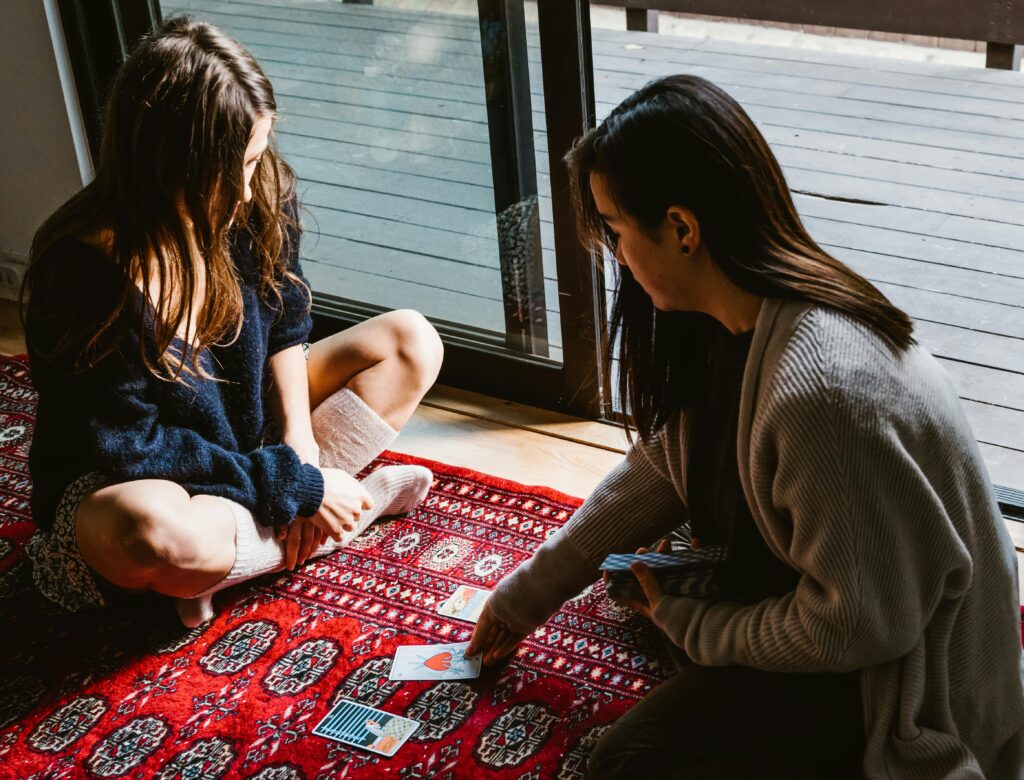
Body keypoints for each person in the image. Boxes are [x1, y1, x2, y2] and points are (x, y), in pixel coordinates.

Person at [467, 75, 1024, 779]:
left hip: (901, 684)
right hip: (863, 608)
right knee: (640, 579)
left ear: (681, 228)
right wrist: (526, 595)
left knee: (626, 764)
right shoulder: (736, 320)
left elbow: (857, 628)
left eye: (614, 229)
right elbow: (660, 470)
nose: (613, 253)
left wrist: (696, 623)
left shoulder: (818, 391)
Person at [22, 17, 443, 628]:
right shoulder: (80, 272)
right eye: (235, 167)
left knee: (411, 342)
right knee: (149, 530)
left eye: (256, 157)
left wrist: (299, 453)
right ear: (169, 163)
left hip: (243, 436)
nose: (249, 188)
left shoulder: (256, 195)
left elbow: (287, 328)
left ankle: (236, 555)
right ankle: (325, 518)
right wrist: (297, 487)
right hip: (132, 480)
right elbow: (134, 448)